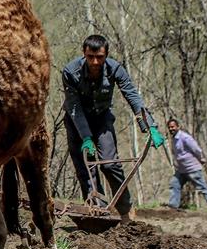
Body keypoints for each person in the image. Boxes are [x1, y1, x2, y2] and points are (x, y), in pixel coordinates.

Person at [62, 34, 165, 223]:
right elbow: (74, 106)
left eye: (99, 57)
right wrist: (85, 137)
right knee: (86, 167)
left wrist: (150, 126)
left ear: (106, 55)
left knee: (110, 164)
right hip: (77, 122)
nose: (94, 62)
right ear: (84, 54)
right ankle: (97, 211)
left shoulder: (115, 68)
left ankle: (125, 209)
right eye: (90, 57)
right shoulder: (70, 71)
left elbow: (132, 95)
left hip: (102, 120)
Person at [166, 119, 207, 213]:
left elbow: (196, 149)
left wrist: (201, 158)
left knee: (203, 187)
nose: (171, 129)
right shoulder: (174, 139)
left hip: (192, 168)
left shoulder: (185, 137)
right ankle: (173, 207)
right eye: (170, 127)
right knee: (175, 183)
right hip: (181, 170)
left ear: (178, 126)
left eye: (173, 127)